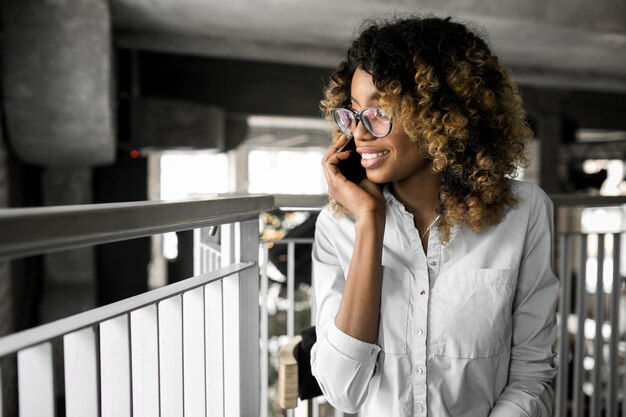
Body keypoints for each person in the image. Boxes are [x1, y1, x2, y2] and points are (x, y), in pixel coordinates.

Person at [310, 15, 559, 417]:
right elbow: (343, 391)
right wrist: (369, 223)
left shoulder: (525, 213)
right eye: (353, 113)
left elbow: (532, 375)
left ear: (441, 115)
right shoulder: (337, 227)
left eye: (379, 111)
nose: (358, 133)